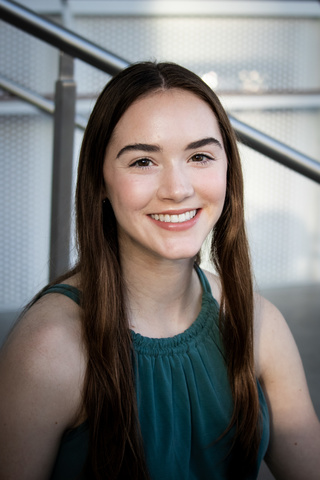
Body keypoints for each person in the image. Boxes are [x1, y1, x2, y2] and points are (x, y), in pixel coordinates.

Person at [0, 62, 319, 480]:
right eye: (143, 162)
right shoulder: (49, 350)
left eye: (200, 156)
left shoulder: (257, 321)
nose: (177, 189)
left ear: (228, 170)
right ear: (100, 182)